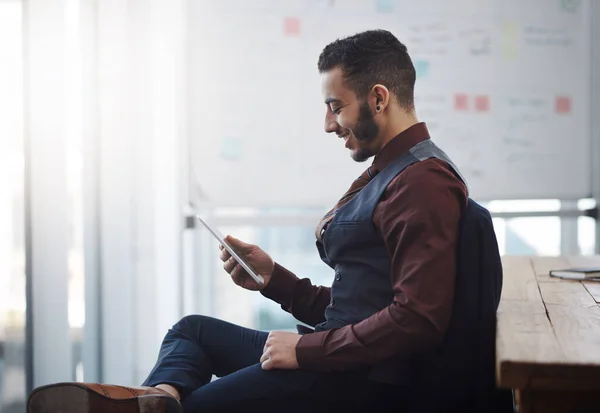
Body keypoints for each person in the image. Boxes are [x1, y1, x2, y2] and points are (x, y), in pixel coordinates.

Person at [27, 29, 499, 413]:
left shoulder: (420, 183)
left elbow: (417, 319)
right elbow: (364, 303)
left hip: (356, 380)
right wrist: (274, 280)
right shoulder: (392, 171)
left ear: (378, 99)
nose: (329, 124)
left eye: (336, 106)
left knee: (201, 406)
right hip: (339, 357)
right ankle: (161, 399)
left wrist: (305, 352)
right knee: (191, 332)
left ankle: (166, 407)